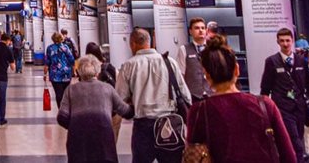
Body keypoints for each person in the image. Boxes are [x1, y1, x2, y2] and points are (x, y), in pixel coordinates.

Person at [187, 35, 296, 163]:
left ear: (207, 75)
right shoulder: (265, 104)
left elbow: (193, 155)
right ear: (237, 70)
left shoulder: (199, 111)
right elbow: (289, 156)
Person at [116, 27, 191, 163]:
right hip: (169, 124)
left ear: (132, 44)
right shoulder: (170, 62)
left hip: (143, 125)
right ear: (150, 42)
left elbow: (119, 98)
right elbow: (185, 94)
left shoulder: (128, 65)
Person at [58, 55, 134, 163]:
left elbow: (62, 117)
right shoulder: (107, 88)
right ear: (97, 72)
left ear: (79, 72)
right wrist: (135, 106)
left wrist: (75, 125)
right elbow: (125, 111)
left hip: (78, 138)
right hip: (103, 136)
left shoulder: (71, 90)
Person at [260, 27, 309, 162]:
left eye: (288, 40)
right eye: (282, 41)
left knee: (298, 138)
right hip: (282, 108)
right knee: (295, 141)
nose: (285, 44)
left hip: (300, 108)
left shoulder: (301, 61)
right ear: (278, 42)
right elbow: (265, 88)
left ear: (293, 41)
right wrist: (265, 110)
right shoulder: (271, 61)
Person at [176, 17, 213, 102]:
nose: (200, 30)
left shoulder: (213, 49)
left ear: (206, 31)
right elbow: (181, 75)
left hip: (211, 94)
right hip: (192, 96)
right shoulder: (184, 49)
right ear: (190, 31)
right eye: (197, 28)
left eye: (203, 28)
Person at [45, 32, 75, 107]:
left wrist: (45, 74)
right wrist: (73, 71)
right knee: (65, 93)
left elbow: (47, 62)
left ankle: (61, 109)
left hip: (55, 75)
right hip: (66, 74)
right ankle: (66, 108)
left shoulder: (50, 48)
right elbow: (72, 60)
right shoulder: (65, 47)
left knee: (58, 94)